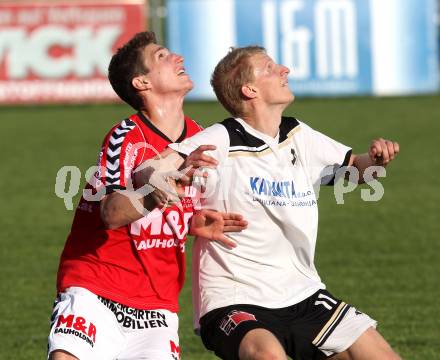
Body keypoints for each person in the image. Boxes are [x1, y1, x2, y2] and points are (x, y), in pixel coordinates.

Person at [168, 46, 401, 360]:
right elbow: (154, 171)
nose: (284, 70)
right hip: (235, 298)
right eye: (269, 67)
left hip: (303, 292)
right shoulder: (222, 138)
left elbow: (358, 172)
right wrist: (173, 176)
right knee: (266, 355)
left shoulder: (297, 134)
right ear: (249, 89)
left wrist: (375, 160)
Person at [47, 31, 246, 360]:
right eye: (162, 57)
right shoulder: (126, 136)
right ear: (141, 83)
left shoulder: (202, 137)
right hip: (96, 286)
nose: (178, 58)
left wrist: (194, 221)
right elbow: (111, 213)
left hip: (157, 302)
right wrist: (160, 189)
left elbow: (175, 206)